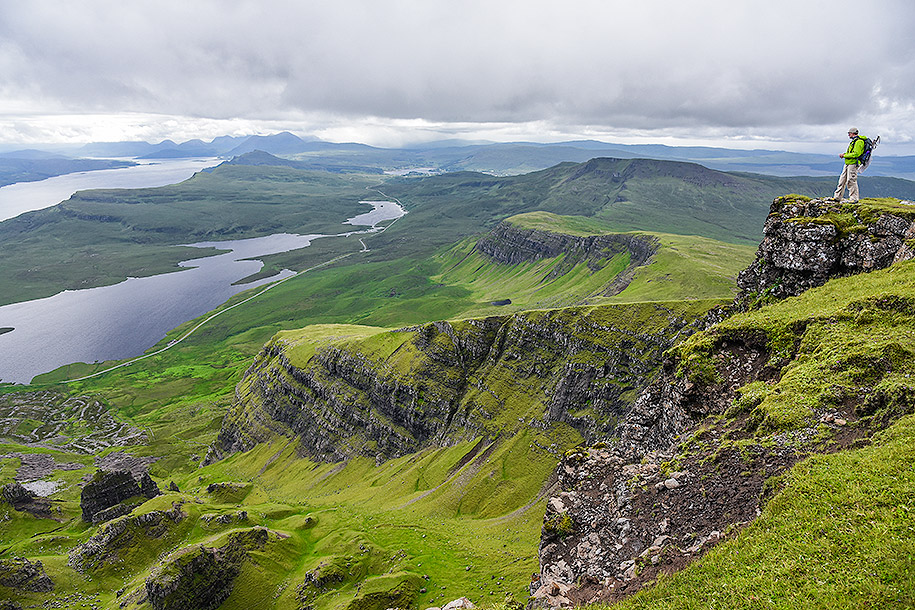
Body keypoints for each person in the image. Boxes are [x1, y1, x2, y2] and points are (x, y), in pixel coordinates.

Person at [833, 127, 866, 202]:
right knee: (842, 180)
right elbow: (852, 153)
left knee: (851, 181)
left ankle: (854, 199)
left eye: (849, 133)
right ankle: (837, 197)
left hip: (853, 164)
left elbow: (856, 154)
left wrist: (844, 156)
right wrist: (845, 154)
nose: (848, 135)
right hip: (848, 163)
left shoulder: (859, 142)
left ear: (853, 133)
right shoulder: (854, 141)